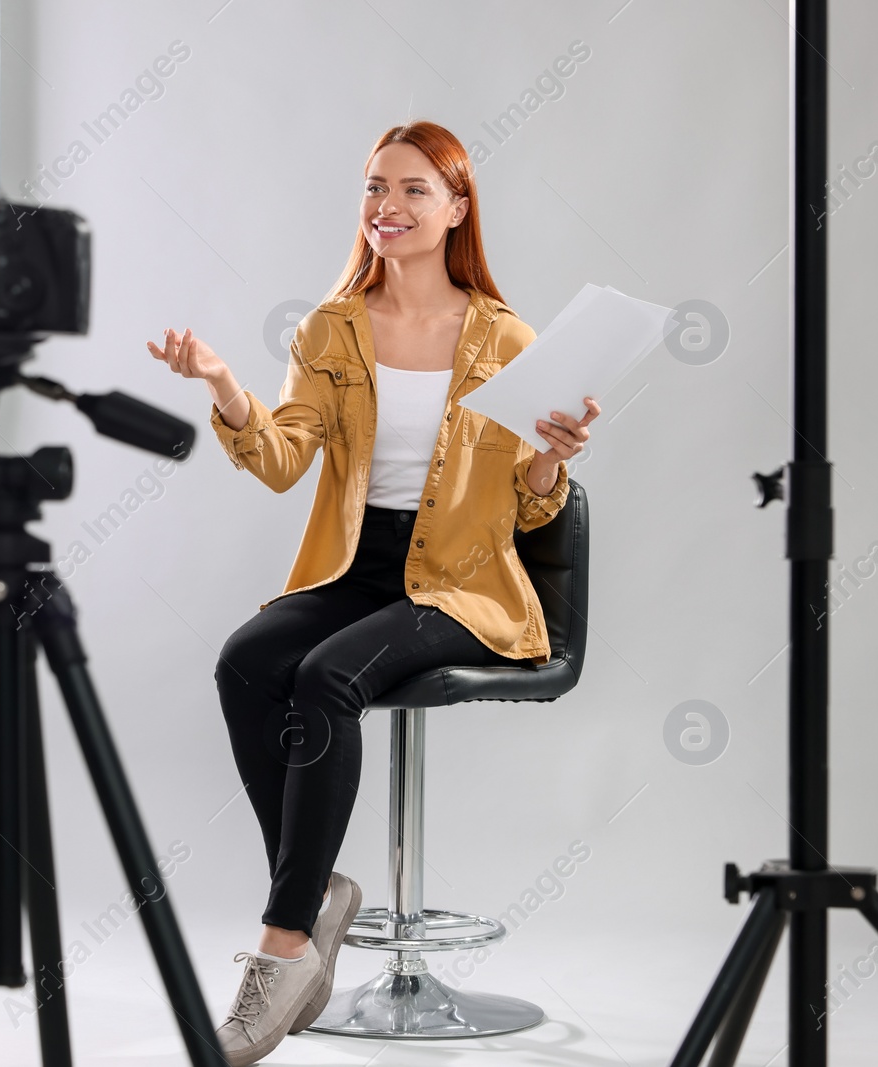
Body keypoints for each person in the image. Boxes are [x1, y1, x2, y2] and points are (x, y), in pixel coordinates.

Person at [148, 120, 598, 1066]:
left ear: (456, 210)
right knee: (245, 661)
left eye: (412, 191)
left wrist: (551, 464)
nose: (385, 207)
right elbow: (280, 462)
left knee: (326, 677)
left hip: (465, 581)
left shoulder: (505, 336)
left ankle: (281, 946)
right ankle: (315, 892)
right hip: (359, 569)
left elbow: (526, 509)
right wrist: (226, 383)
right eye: (373, 188)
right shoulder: (332, 328)